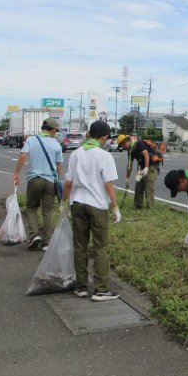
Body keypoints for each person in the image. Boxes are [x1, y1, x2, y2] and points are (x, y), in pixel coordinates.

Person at [63, 120, 122, 301]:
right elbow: (108, 184)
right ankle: (101, 289)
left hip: (77, 203)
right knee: (100, 247)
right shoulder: (104, 156)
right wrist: (115, 207)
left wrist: (63, 202)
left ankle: (80, 287)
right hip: (97, 205)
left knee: (80, 246)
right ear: (104, 137)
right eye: (106, 138)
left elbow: (68, 182)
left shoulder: (76, 154)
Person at [12, 117, 64, 250]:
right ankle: (47, 242)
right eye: (55, 131)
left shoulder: (31, 140)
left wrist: (16, 173)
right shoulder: (56, 144)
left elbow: (23, 156)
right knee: (47, 210)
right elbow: (59, 165)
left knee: (31, 208)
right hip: (50, 181)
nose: (55, 133)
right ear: (52, 130)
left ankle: (34, 235)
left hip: (34, 179)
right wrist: (58, 180)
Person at [119, 134, 161, 210]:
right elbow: (129, 165)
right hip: (142, 168)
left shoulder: (139, 143)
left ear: (126, 141)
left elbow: (146, 155)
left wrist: (146, 167)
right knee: (138, 186)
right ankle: (137, 205)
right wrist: (127, 178)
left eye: (122, 145)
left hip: (151, 166)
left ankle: (150, 208)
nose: (122, 147)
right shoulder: (130, 150)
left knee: (149, 188)